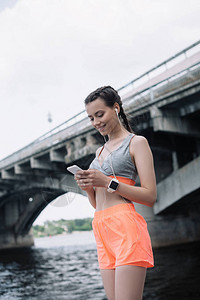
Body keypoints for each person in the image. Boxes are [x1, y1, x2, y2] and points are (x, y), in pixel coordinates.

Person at [75, 86, 157, 300]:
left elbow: (150, 196)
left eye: (100, 114)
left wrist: (107, 182)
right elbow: (97, 204)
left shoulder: (137, 143)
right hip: (102, 227)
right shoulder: (99, 151)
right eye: (91, 118)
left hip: (125, 227)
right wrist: (88, 188)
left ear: (116, 108)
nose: (96, 122)